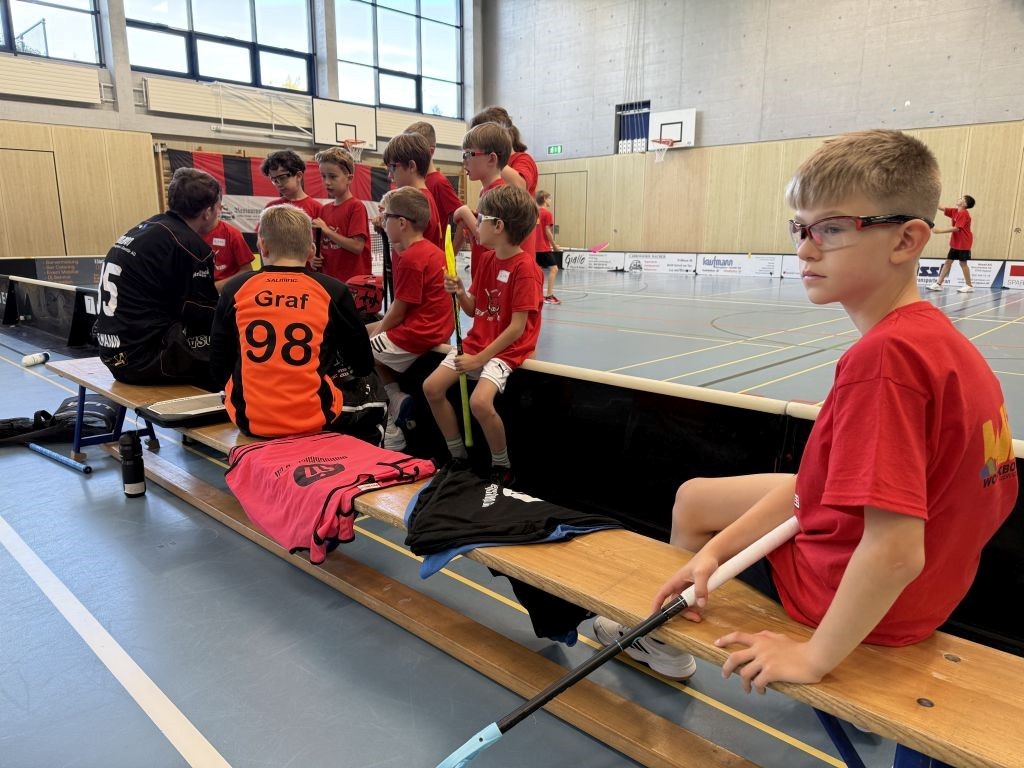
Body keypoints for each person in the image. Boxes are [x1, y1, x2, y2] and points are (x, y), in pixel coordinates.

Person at [595, 130, 1017, 689]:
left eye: (833, 229)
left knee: (696, 504)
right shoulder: (939, 339)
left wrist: (815, 657)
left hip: (862, 602)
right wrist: (716, 553)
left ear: (906, 240)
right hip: (930, 595)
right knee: (697, 498)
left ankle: (663, 646)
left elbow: (894, 553)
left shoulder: (884, 360)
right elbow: (817, 492)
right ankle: (690, 585)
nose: (805, 249)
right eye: (801, 228)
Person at [210, 205, 375, 439]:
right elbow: (362, 364)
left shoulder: (235, 289)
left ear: (262, 246)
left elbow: (219, 365)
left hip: (248, 418)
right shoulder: (333, 290)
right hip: (315, 417)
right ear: (311, 250)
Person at [423, 185, 543, 487]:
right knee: (432, 387)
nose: (476, 224)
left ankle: (502, 464)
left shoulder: (526, 269)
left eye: (480, 219)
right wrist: (460, 291)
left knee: (479, 403)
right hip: (478, 341)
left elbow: (517, 328)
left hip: (507, 350)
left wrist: (478, 360)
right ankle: (458, 456)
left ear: (498, 226)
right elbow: (473, 308)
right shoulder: (487, 259)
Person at [94, 167, 221, 390]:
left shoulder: (145, 229)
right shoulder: (190, 247)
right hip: (145, 360)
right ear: (208, 211)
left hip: (111, 354)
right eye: (219, 206)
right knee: (231, 355)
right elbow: (200, 312)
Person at [368, 187, 455, 451]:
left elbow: (398, 310)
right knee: (363, 331)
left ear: (402, 223)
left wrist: (376, 335)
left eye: (386, 217)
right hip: (435, 327)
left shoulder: (411, 259)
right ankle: (395, 398)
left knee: (360, 351)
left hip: (419, 333)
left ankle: (393, 421)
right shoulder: (427, 250)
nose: (382, 222)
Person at [471, 106, 539, 258]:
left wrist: (496, 158)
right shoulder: (489, 179)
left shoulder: (522, 160)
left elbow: (520, 185)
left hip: (517, 255)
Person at [450, 122, 513, 278]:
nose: (464, 161)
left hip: (492, 279)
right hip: (482, 274)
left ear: (491, 159)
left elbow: (488, 239)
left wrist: (464, 212)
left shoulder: (499, 194)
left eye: (468, 154)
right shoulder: (484, 192)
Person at [311, 146, 372, 282]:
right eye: (323, 176)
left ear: (349, 178)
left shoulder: (356, 206)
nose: (327, 182)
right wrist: (313, 258)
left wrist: (327, 231)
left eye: (333, 177)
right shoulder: (324, 210)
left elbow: (357, 247)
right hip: (329, 280)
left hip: (352, 283)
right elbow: (319, 247)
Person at [381, 132, 443, 250]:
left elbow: (406, 251)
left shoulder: (416, 201)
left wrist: (386, 224)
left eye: (393, 167)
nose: (390, 175)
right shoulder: (423, 198)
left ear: (411, 166)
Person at [261, 149, 323, 268]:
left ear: (298, 176)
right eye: (274, 180)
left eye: (282, 177)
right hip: (277, 272)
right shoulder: (271, 208)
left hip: (306, 273)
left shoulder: (317, 208)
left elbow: (323, 245)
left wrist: (316, 258)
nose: (279, 183)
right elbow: (261, 242)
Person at [404, 121, 463, 236]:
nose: (408, 155)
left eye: (413, 150)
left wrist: (452, 248)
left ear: (430, 151)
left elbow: (462, 219)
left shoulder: (439, 182)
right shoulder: (412, 180)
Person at [927, 195, 976, 293]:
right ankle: (938, 284)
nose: (959, 199)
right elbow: (942, 208)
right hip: (955, 242)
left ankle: (969, 285)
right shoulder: (955, 211)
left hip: (964, 242)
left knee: (963, 263)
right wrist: (931, 199)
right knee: (948, 262)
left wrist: (939, 231)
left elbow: (957, 228)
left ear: (965, 204)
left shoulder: (963, 213)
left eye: (962, 199)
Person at [202, 215, 254, 292]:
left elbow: (247, 271)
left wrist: (215, 287)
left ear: (219, 209)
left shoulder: (232, 234)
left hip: (224, 292)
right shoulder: (188, 232)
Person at [534, 190, 561, 304]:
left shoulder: (534, 212)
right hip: (543, 248)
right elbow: (547, 231)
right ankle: (549, 295)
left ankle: (536, 295)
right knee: (554, 269)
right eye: (549, 198)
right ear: (544, 199)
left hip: (534, 248)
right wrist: (554, 246)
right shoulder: (547, 213)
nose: (550, 200)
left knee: (537, 271)